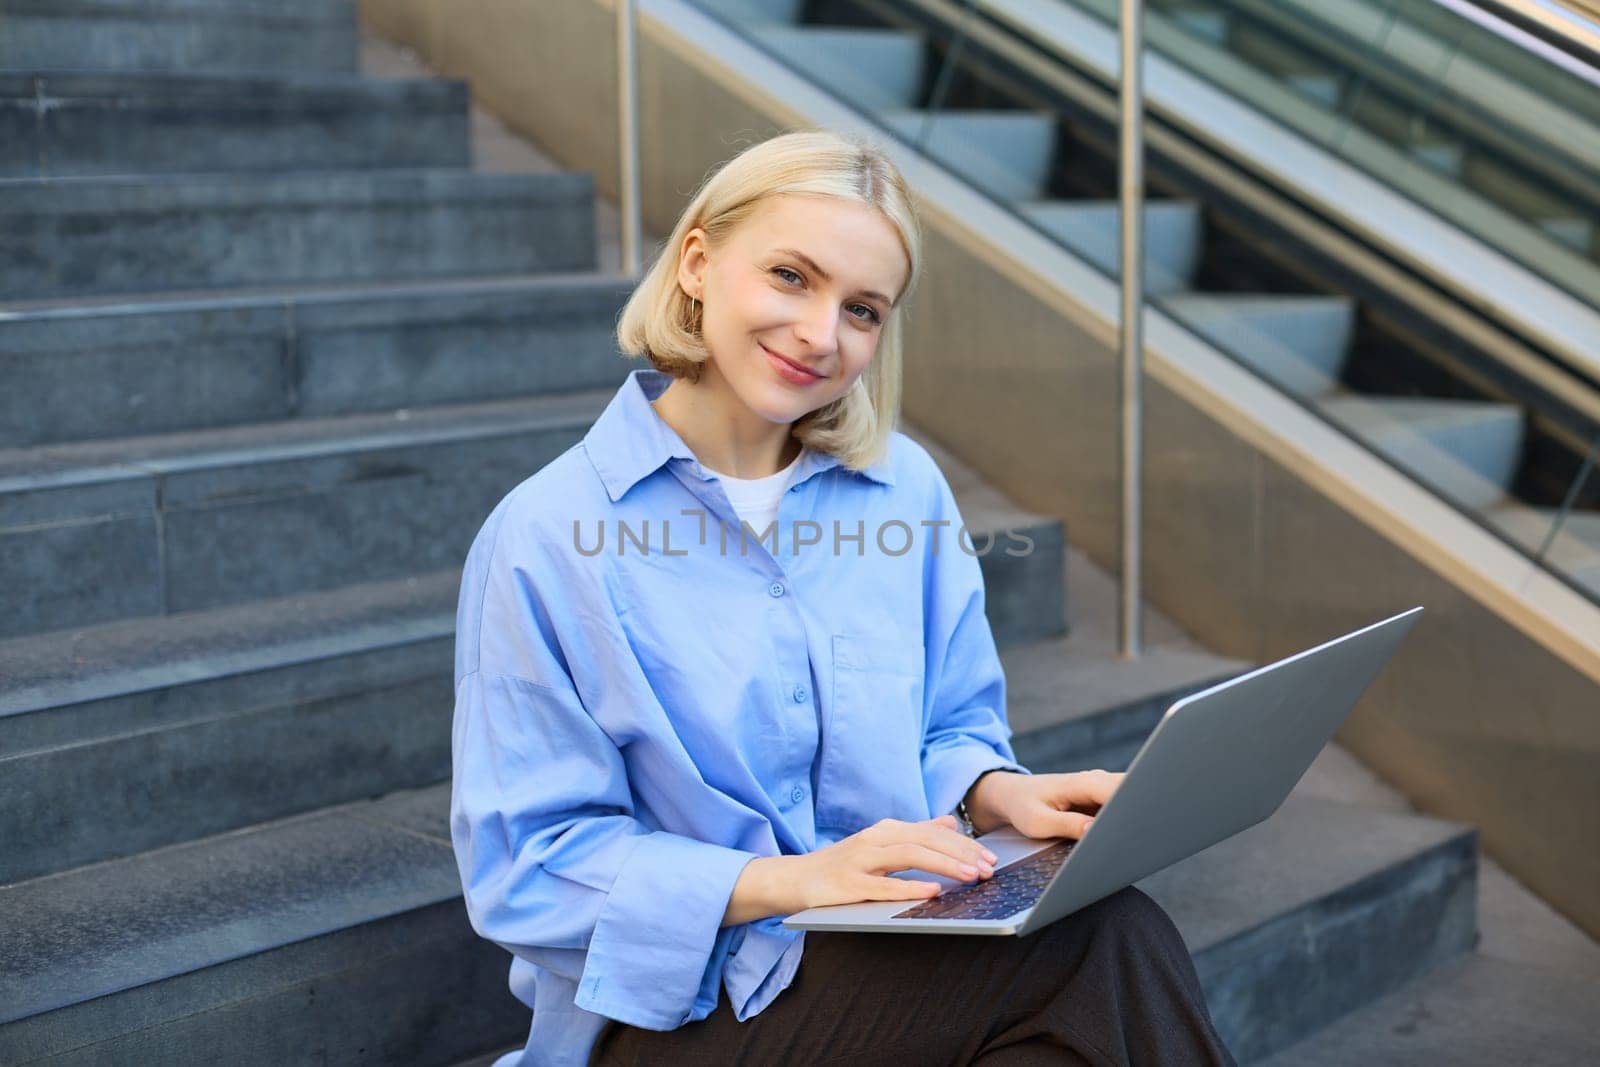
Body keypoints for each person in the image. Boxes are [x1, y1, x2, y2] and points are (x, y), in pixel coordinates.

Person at [450, 129, 1235, 1067]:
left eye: (862, 309)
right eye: (790, 276)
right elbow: (528, 867)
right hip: (679, 1010)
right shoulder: (547, 533)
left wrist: (999, 792)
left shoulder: (906, 491)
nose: (822, 334)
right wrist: (788, 880)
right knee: (1109, 937)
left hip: (894, 948)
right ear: (698, 263)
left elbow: (950, 727)